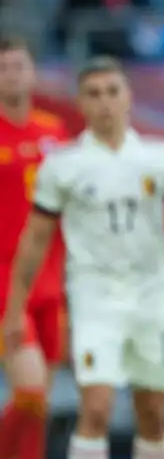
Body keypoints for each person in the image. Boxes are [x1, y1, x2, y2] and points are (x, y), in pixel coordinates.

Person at [1, 57, 164, 459]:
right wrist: (13, 307)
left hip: (149, 296)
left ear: (128, 97)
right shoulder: (63, 166)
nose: (105, 102)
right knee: (95, 407)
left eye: (113, 91)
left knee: (152, 413)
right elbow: (34, 242)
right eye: (94, 94)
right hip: (93, 296)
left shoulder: (160, 158)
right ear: (80, 102)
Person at [0, 38, 68, 459]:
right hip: (6, 279)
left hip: (51, 279)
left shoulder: (54, 132)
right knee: (28, 385)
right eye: (4, 68)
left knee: (40, 397)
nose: (12, 75)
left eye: (18, 66)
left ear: (32, 72)